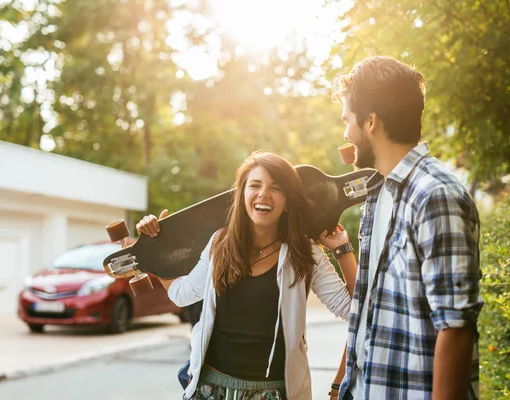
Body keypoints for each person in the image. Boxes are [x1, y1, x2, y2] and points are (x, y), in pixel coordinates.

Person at [136, 151, 358, 400]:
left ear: (287, 202)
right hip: (209, 389)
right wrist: (157, 251)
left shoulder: (304, 253)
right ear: (241, 194)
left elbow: (354, 312)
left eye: (276, 188)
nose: (264, 193)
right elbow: (182, 294)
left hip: (272, 393)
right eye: (255, 185)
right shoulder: (220, 243)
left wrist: (342, 250)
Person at [329, 55, 484, 400]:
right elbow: (369, 306)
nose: (345, 133)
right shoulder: (377, 190)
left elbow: (456, 326)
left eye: (347, 120)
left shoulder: (435, 195)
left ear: (370, 122)